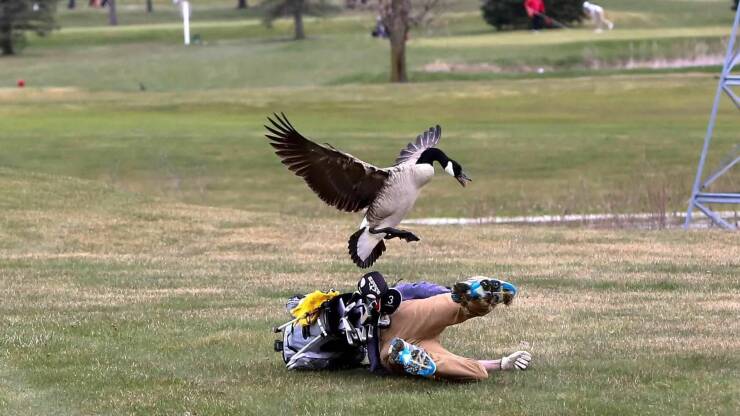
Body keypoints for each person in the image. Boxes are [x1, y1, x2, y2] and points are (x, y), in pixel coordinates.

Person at [378, 277, 532, 381]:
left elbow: (414, 289)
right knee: (477, 372)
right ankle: (477, 296)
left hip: (403, 327)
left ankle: (476, 295)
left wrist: (502, 363)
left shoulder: (373, 301)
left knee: (478, 372)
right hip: (399, 337)